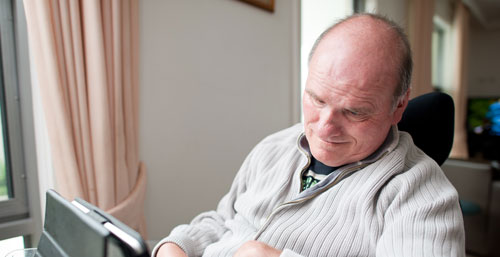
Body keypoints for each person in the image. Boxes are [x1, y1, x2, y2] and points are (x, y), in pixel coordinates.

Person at [153, 13, 465, 257]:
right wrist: (178, 245)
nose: (324, 127)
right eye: (317, 100)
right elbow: (224, 220)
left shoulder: (420, 195)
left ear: (398, 107)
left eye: (354, 111)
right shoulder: (274, 147)